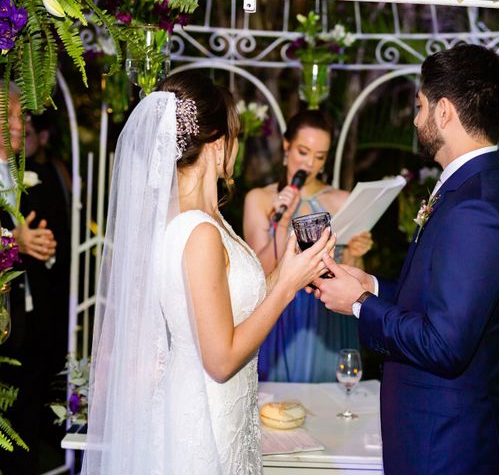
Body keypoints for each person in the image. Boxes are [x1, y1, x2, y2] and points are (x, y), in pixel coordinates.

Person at [81, 72, 334, 474]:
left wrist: (286, 269)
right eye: (234, 136)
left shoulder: (206, 220)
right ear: (218, 143)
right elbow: (220, 359)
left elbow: (229, 308)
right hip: (205, 418)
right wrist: (286, 287)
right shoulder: (198, 231)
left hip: (226, 408)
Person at [312, 43, 499, 475]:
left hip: (447, 446)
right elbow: (438, 303)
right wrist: (371, 285)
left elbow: (444, 344)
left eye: (420, 105)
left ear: (444, 112)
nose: (415, 119)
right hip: (435, 436)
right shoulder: (470, 190)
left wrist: (358, 304)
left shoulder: (475, 207)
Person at [243, 110, 373, 382]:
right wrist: (283, 220)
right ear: (286, 146)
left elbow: (354, 276)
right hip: (282, 316)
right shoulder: (260, 199)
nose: (310, 164)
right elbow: (259, 275)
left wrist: (354, 254)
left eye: (320, 156)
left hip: (328, 318)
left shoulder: (343, 200)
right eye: (303, 151)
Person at [0, 86, 58, 475]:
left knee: (26, 437)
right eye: (14, 116)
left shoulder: (19, 173)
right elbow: (13, 238)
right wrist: (11, 241)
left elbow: (29, 236)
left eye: (24, 117)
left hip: (27, 327)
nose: (23, 124)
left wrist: (43, 248)